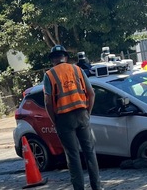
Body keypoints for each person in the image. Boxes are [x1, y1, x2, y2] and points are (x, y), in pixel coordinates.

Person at [43, 45, 102, 190]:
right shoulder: (77, 70)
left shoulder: (49, 75)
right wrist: (88, 112)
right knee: (89, 152)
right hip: (82, 114)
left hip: (63, 118)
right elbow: (91, 93)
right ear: (66, 57)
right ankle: (97, 187)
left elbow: (47, 102)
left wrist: (54, 120)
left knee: (73, 156)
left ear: (52, 60)